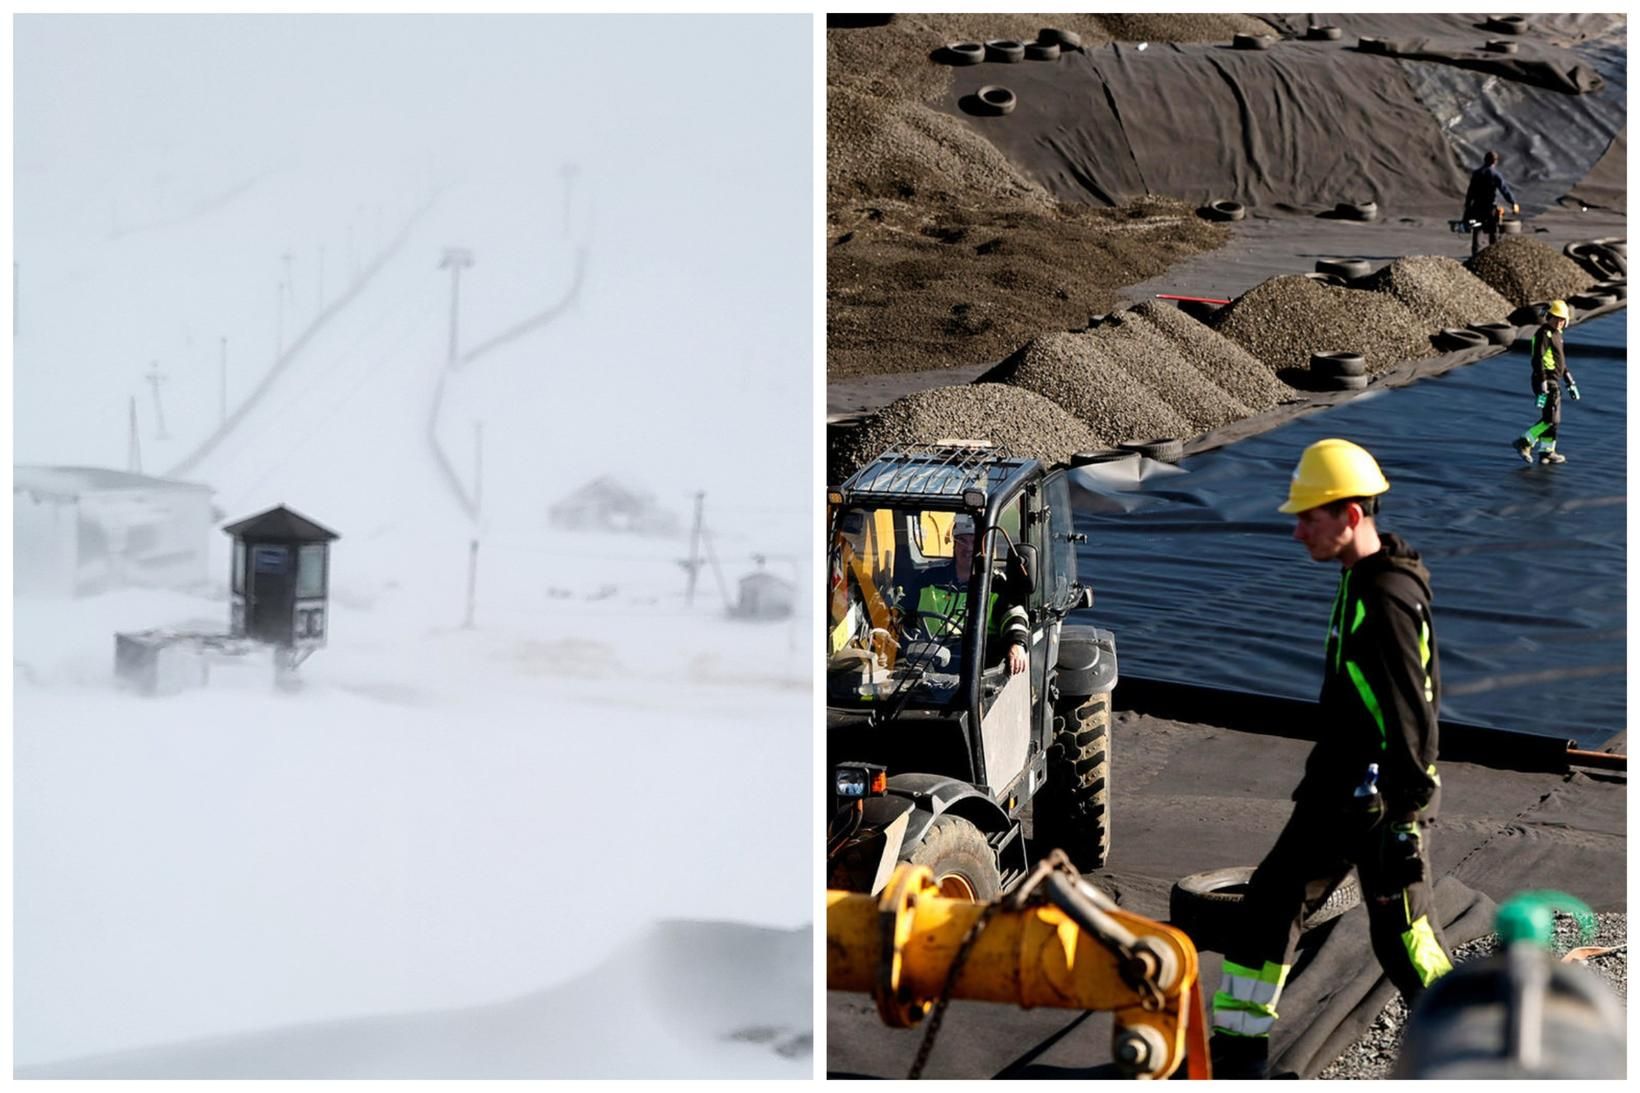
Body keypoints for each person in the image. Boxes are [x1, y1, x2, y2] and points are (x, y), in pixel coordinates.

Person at [1209, 439, 1453, 1079]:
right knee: (1268, 908)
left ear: (1349, 516)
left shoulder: (1388, 597)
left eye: (1308, 518)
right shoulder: (1361, 580)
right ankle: (1237, 1059)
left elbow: (1412, 711)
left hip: (1377, 801)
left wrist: (1406, 817)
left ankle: (1468, 1051)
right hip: (1339, 789)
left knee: (1404, 935)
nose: (1296, 532)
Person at [913, 514, 1029, 675]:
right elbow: (902, 612)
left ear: (984, 547)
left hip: (975, 670)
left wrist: (1017, 643)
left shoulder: (996, 585)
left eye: (974, 542)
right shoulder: (928, 579)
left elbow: (1014, 615)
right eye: (962, 541)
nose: (968, 548)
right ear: (953, 543)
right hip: (927, 666)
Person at [1512, 299, 1580, 465]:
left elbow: (1560, 361)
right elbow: (1537, 359)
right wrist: (1542, 380)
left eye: (1562, 319)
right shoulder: (1543, 334)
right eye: (1556, 318)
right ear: (1548, 316)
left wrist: (1569, 379)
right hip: (1545, 380)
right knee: (1551, 419)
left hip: (1554, 380)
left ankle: (1547, 451)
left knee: (1552, 419)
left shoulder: (1558, 335)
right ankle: (1525, 441)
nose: (1559, 322)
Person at [1463, 150, 1519, 257]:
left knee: (1477, 229)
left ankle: (1476, 254)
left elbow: (1470, 191)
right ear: (1495, 161)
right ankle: (1493, 255)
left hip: (1477, 207)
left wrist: (1467, 205)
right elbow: (1504, 189)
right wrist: (1513, 202)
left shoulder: (1477, 173)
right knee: (1493, 230)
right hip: (1489, 207)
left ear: (1484, 160)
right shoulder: (1495, 174)